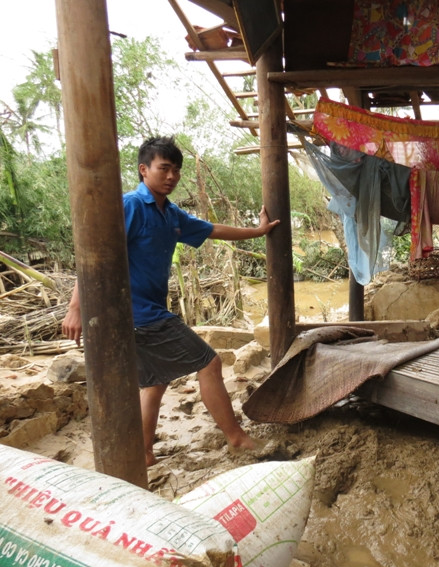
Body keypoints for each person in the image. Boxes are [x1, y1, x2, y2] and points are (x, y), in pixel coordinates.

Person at [62, 136, 280, 467]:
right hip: (137, 314)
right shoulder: (130, 207)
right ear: (143, 170)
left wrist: (257, 231)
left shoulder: (171, 214)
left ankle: (145, 452)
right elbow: (96, 255)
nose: (172, 176)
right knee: (209, 362)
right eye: (164, 168)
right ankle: (238, 439)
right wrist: (76, 307)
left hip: (147, 313)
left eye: (176, 170)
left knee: (155, 381)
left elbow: (213, 230)